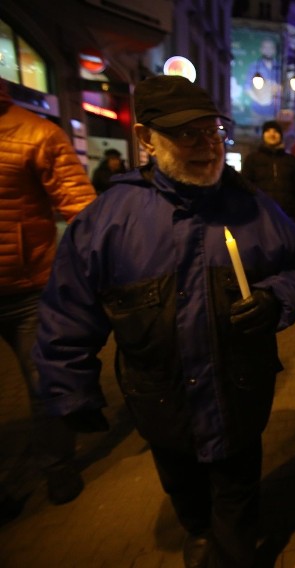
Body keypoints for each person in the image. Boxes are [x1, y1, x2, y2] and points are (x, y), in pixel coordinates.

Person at [32, 75, 295, 568]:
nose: (206, 147)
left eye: (212, 132)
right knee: (187, 492)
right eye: (187, 134)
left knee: (237, 498)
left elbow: (294, 267)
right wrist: (69, 390)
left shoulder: (253, 207)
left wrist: (274, 299)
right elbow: (67, 310)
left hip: (240, 395)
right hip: (161, 404)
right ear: (146, 140)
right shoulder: (108, 221)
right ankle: (200, 530)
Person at [0, 78, 96, 506]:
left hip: (28, 286)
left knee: (45, 382)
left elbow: (79, 207)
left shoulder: (34, 131)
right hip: (28, 281)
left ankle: (56, 466)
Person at [241, 120, 295, 233]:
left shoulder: (291, 161)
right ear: (263, 135)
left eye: (276, 131)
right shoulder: (252, 159)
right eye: (268, 131)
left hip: (288, 220)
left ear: (281, 136)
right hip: (260, 220)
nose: (272, 134)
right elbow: (245, 190)